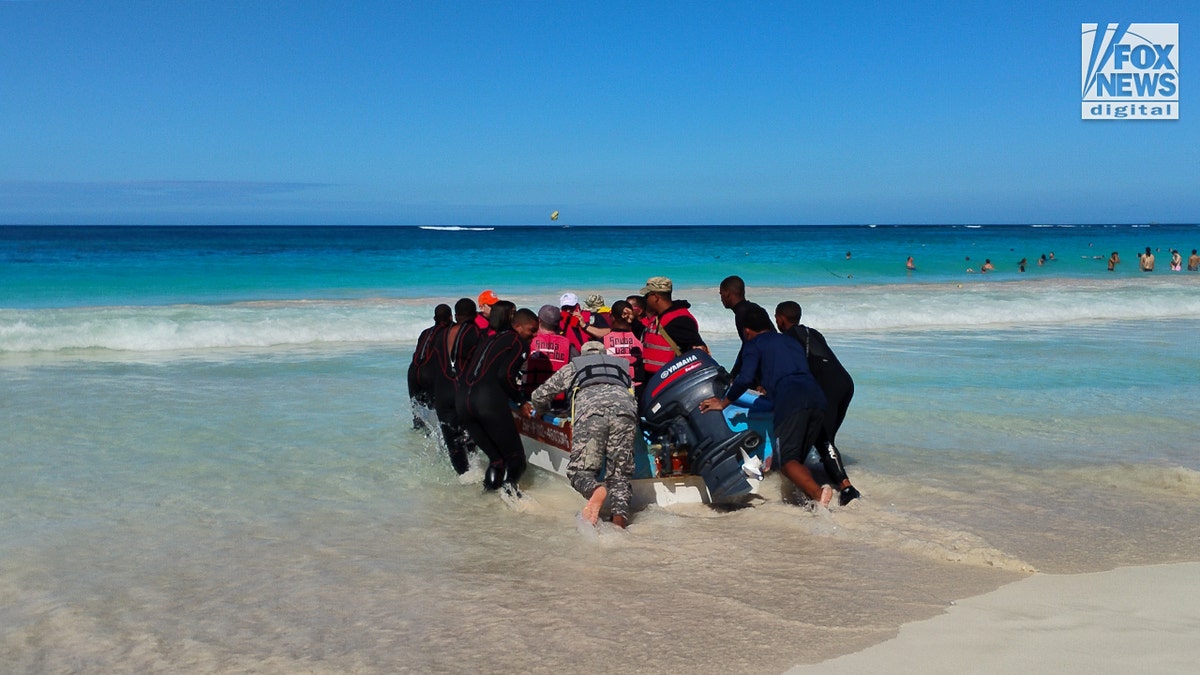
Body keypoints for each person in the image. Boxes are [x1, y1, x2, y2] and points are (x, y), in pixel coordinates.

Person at [698, 306, 831, 507]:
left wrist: (724, 402)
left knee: (787, 462)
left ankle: (818, 494)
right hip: (817, 395)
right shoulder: (789, 340)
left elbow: (745, 378)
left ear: (747, 331)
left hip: (792, 399)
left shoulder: (754, 344)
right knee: (798, 457)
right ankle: (807, 498)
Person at [524, 341, 637, 528]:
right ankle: (619, 524)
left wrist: (541, 410)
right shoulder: (622, 367)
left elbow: (540, 395)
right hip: (625, 412)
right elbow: (633, 396)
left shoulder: (575, 366)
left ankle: (595, 489)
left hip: (591, 414)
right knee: (620, 474)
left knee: (579, 472)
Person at [775, 301, 861, 505]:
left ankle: (846, 488)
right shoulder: (813, 332)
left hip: (827, 386)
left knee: (822, 438)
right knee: (824, 435)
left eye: (776, 317)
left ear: (781, 318)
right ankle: (823, 474)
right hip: (844, 382)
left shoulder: (786, 338)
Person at [458, 302, 539, 491]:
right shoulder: (517, 342)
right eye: (531, 330)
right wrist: (520, 402)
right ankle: (511, 500)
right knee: (516, 459)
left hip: (463, 401)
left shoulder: (488, 339)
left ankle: (489, 506)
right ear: (517, 326)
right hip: (487, 402)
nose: (534, 335)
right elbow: (505, 375)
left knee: (497, 460)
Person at [430, 298, 484, 475]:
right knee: (469, 436)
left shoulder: (440, 335)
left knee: (452, 442)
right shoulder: (476, 332)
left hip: (442, 393)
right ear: (474, 314)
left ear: (456, 314)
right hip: (463, 391)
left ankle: (463, 478)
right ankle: (476, 473)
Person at [640, 276, 707, 377]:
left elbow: (697, 350)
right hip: (655, 379)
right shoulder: (658, 316)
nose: (645, 299)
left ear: (655, 297)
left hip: (671, 380)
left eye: (647, 296)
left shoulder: (680, 320)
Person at [407, 303, 452, 429]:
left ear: (434, 318)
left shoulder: (425, 332)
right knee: (437, 411)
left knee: (417, 412)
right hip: (429, 373)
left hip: (413, 372)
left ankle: (416, 439)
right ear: (450, 317)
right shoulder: (449, 332)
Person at [523, 304, 577, 408]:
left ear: (539, 320)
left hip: (530, 398)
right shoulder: (567, 345)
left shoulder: (529, 341)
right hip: (557, 400)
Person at [601, 299, 646, 391]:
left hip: (613, 386)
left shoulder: (603, 340)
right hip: (637, 387)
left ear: (612, 317)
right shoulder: (642, 336)